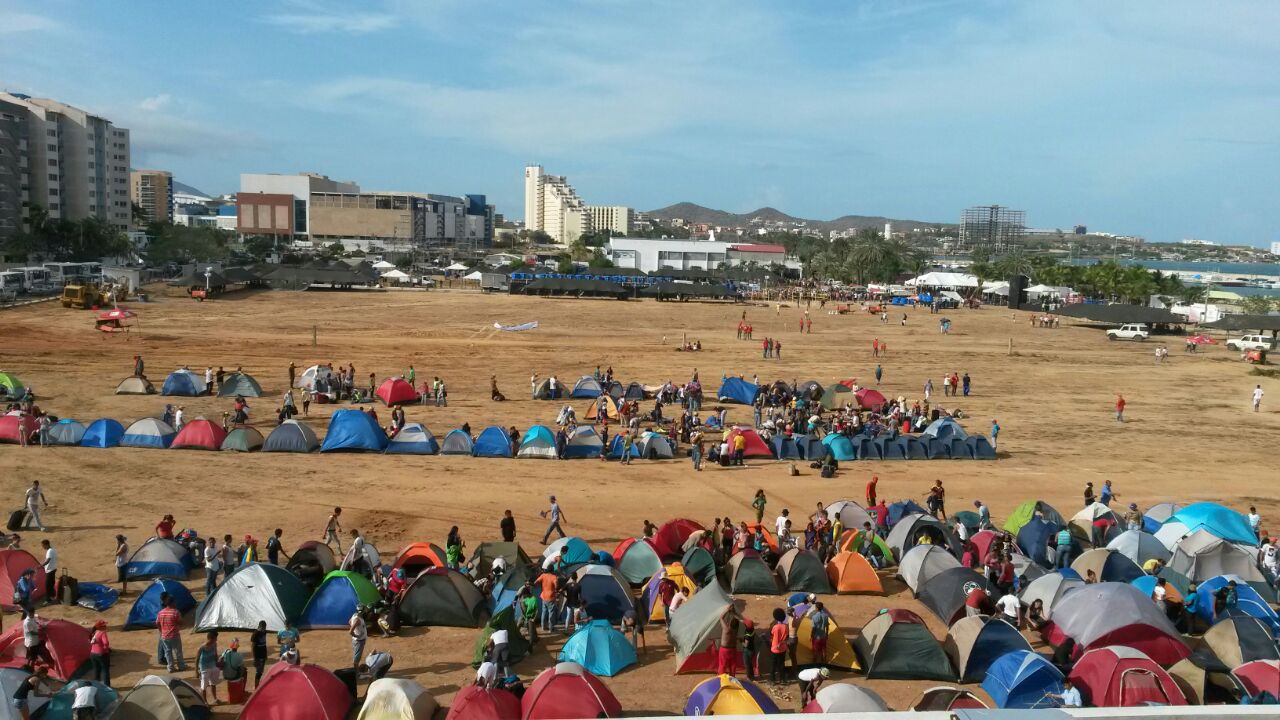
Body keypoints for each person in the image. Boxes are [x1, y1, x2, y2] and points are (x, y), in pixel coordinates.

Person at [157, 597, 185, 671]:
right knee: (178, 651)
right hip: (174, 635)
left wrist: (161, 631)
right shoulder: (176, 612)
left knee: (167, 652)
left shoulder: (161, 612)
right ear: (172, 603)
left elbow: (157, 623)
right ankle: (181, 666)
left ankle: (170, 667)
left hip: (164, 636)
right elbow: (181, 622)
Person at [195, 631, 220, 705]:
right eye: (215, 638)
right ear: (211, 639)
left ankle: (215, 699)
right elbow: (197, 660)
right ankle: (205, 702)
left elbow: (215, 654)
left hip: (213, 666)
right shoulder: (201, 648)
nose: (216, 640)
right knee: (204, 686)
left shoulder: (214, 644)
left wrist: (217, 663)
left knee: (213, 683)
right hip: (204, 668)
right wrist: (196, 671)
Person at [717, 609, 740, 676]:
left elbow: (721, 618)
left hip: (724, 650)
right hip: (733, 649)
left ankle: (721, 678)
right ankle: (732, 678)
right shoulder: (736, 629)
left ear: (730, 623)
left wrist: (727, 610)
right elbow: (737, 619)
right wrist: (734, 612)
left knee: (722, 665)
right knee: (732, 665)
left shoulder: (726, 629)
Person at [89, 619, 111, 686]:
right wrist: (105, 648)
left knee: (96, 670)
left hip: (92, 654)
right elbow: (106, 642)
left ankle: (96, 685)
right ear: (100, 627)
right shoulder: (102, 633)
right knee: (105, 671)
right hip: (102, 654)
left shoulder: (94, 632)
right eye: (104, 625)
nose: (105, 626)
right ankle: (107, 686)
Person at [250, 621, 268, 689]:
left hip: (263, 655)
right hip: (258, 656)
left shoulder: (264, 632)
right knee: (258, 672)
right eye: (263, 627)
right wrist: (254, 659)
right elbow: (253, 646)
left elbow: (264, 644)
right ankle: (256, 687)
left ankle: (257, 685)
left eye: (265, 627)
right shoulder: (255, 633)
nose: (264, 629)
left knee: (260, 672)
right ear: (260, 626)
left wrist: (266, 655)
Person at [39, 539, 56, 604]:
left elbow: (48, 560)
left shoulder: (50, 551)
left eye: (43, 546)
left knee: (48, 585)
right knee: (51, 584)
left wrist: (41, 566)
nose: (43, 547)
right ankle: (52, 596)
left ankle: (47, 600)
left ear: (46, 544)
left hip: (50, 570)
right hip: (53, 569)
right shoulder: (53, 549)